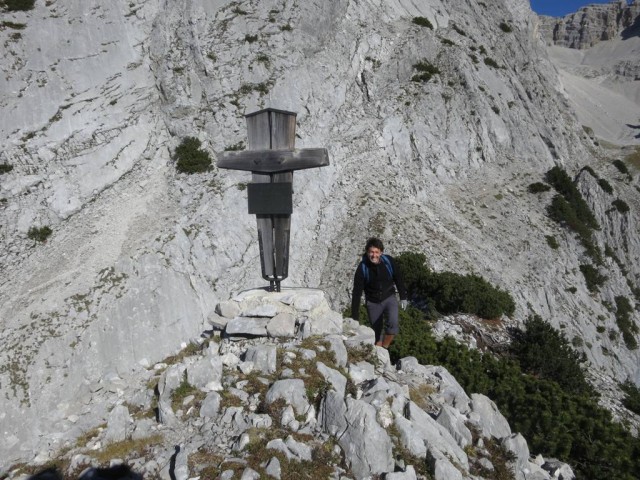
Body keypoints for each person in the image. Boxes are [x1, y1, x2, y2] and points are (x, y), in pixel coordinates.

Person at [351, 237, 408, 348]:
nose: (374, 255)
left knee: (393, 324)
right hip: (373, 302)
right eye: (371, 252)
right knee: (376, 333)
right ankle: (379, 353)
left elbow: (398, 278)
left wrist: (403, 296)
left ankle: (384, 349)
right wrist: (355, 317)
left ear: (381, 252)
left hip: (389, 297)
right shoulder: (362, 268)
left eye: (377, 252)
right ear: (367, 252)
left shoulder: (388, 261)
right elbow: (356, 293)